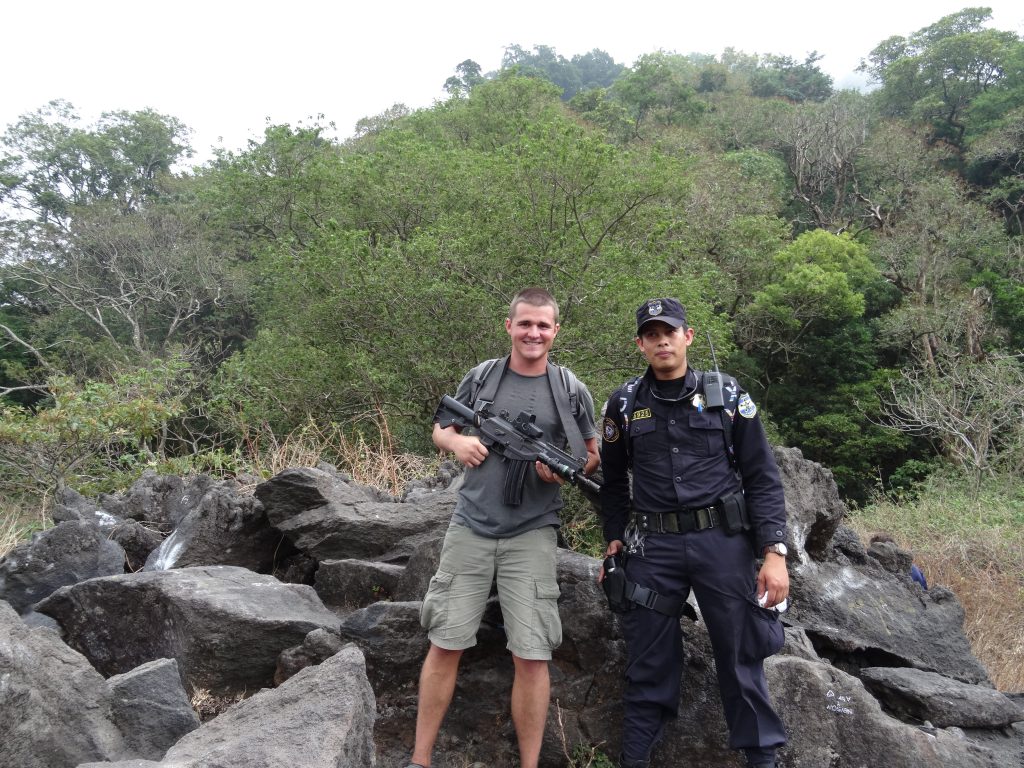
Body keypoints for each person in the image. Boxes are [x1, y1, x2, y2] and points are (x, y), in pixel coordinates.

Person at [406, 287, 600, 768]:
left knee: (532, 653)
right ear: (509, 326)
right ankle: (419, 760)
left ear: (555, 331)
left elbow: (591, 455)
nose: (534, 333)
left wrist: (564, 471)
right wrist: (458, 445)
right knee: (445, 641)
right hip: (470, 525)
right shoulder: (483, 376)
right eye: (525, 323)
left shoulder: (569, 389)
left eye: (543, 325)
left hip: (533, 531)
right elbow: (441, 428)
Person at [599, 298, 790, 768]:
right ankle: (634, 761)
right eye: (652, 334)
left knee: (741, 653)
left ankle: (762, 761)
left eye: (670, 332)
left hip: (721, 544)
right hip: (653, 547)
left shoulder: (726, 394)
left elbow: (761, 476)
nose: (662, 341)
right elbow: (614, 481)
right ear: (640, 344)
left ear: (687, 337)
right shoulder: (623, 403)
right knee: (648, 658)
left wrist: (774, 552)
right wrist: (613, 540)